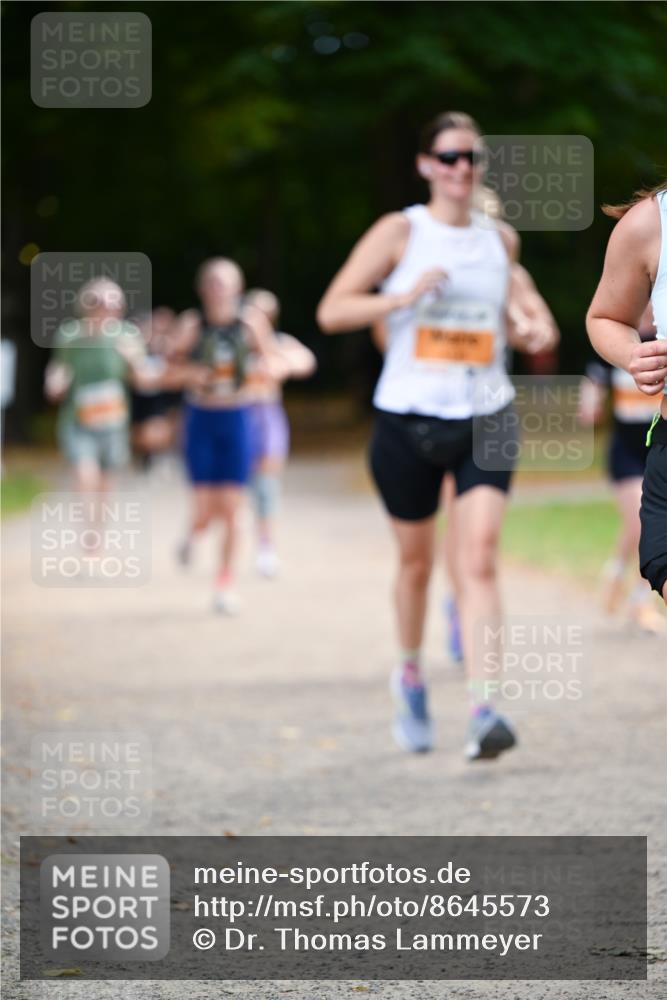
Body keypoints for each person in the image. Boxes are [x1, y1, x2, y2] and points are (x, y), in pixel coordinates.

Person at [318, 111, 531, 760]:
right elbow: (332, 311)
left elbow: (511, 313)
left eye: (471, 157)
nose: (461, 168)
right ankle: (409, 675)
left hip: (486, 414)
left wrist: (527, 326)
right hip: (407, 418)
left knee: (479, 556)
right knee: (416, 565)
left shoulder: (500, 240)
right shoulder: (400, 231)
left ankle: (484, 708)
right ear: (425, 165)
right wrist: (401, 296)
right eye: (448, 157)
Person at [174, 258, 283, 614]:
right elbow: (168, 366)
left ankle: (224, 585)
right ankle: (193, 534)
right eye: (213, 283)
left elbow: (272, 361)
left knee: (233, 508)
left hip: (238, 417)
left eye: (226, 283)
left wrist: (264, 368)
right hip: (202, 418)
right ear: (202, 289)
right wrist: (192, 373)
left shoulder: (250, 324)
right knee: (206, 509)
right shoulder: (192, 324)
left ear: (238, 288)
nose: (219, 291)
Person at [587, 183, 667, 606]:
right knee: (636, 528)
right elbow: (604, 318)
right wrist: (633, 357)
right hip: (638, 446)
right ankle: (626, 590)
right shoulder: (649, 224)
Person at [580, 303, 665, 631]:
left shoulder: (662, 340)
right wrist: (589, 405)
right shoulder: (619, 340)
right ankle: (629, 589)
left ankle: (625, 585)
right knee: (640, 524)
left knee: (642, 526)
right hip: (626, 453)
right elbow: (593, 380)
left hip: (657, 449)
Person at [44, 277, 152, 498]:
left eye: (113, 303)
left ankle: (98, 522)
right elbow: (58, 368)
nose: (105, 308)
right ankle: (86, 519)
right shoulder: (70, 336)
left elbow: (144, 381)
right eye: (98, 302)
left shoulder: (128, 336)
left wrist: (133, 362)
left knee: (106, 484)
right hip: (78, 420)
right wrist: (54, 383)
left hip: (113, 421)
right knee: (86, 475)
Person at [244, 288, 317, 577]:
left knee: (266, 486)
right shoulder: (230, 345)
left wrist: (267, 345)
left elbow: (303, 363)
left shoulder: (280, 344)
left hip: (266, 418)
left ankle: (265, 547)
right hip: (235, 418)